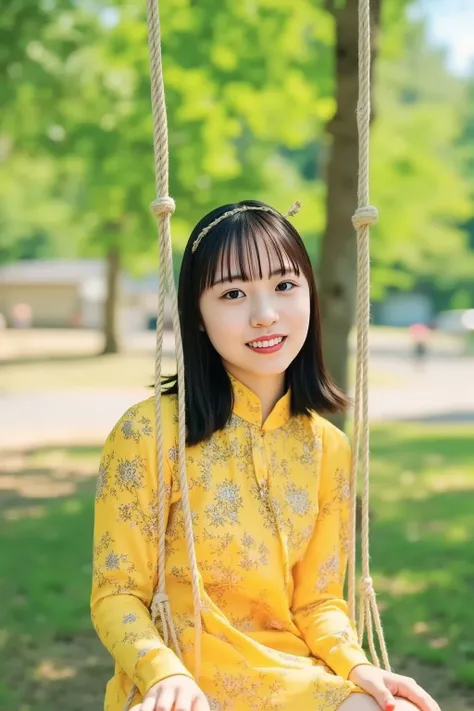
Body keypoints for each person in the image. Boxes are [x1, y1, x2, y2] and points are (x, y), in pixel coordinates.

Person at [91, 200, 440, 711]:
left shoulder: (327, 447)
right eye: (233, 293)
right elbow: (116, 593)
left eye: (283, 285)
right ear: (198, 316)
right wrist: (162, 672)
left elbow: (318, 601)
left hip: (292, 677)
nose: (265, 315)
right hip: (179, 680)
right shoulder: (148, 431)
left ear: (310, 296)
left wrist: (359, 666)